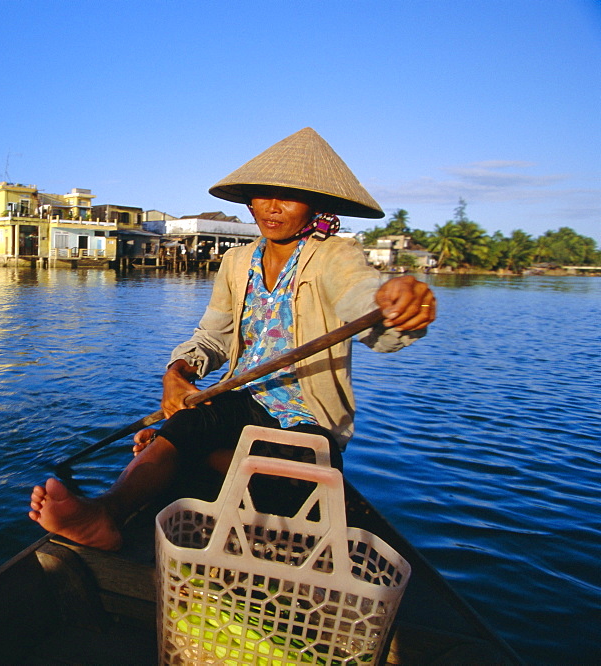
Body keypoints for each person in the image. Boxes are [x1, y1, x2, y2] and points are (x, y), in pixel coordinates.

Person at [29, 127, 436, 551]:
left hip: (305, 423)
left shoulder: (335, 256)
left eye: (289, 197)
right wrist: (177, 371)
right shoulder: (237, 261)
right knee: (190, 421)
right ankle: (106, 514)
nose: (272, 208)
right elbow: (213, 338)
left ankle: (178, 462)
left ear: (316, 205)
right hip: (240, 402)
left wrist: (398, 305)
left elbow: (364, 304)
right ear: (250, 200)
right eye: (263, 195)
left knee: (195, 449)